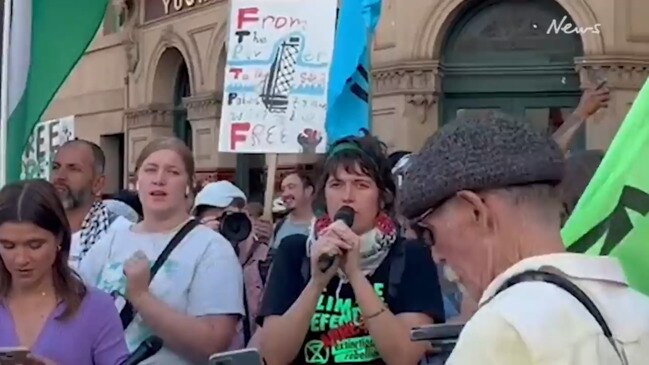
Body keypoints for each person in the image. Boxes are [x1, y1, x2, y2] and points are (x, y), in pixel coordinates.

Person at [399, 113, 649, 364]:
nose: (435, 255)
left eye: (429, 233)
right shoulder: (638, 311)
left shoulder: (502, 328)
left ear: (476, 211)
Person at [258, 133, 445, 365]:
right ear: (323, 195)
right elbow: (273, 356)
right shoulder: (294, 251)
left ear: (382, 197)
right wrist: (316, 282)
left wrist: (356, 275)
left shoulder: (411, 255)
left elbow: (404, 356)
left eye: (361, 185)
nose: (347, 197)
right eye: (336, 185)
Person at [80, 137, 244, 364]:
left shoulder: (212, 248)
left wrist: (141, 297)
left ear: (189, 185)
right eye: (151, 170)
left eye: (173, 172)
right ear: (137, 181)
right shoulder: (110, 241)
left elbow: (213, 344)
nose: (159, 179)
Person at [0, 179, 128, 365]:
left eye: (35, 245)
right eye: (8, 246)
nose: (21, 259)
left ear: (59, 237)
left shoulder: (95, 308)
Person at [193, 181, 270, 349]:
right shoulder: (189, 256)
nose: (225, 225)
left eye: (231, 217)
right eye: (217, 218)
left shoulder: (264, 259)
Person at [51, 139, 131, 269]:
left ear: (97, 183)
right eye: (56, 167)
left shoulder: (121, 234)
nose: (60, 176)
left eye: (74, 169)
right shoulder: (37, 228)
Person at [271, 170, 315, 248]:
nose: (285, 194)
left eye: (291, 187)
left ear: (308, 190)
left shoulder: (322, 227)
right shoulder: (279, 226)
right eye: (283, 189)